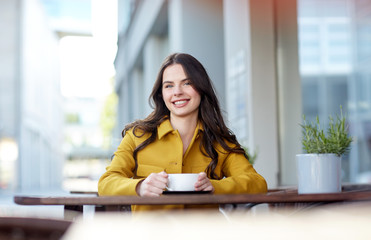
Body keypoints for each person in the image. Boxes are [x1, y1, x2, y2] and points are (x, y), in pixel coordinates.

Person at [98, 53, 267, 211]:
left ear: (201, 88)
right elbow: (106, 183)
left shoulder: (219, 142)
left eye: (187, 83)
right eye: (169, 86)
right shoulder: (138, 136)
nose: (177, 92)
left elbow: (257, 183)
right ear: (162, 94)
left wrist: (215, 186)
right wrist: (140, 186)